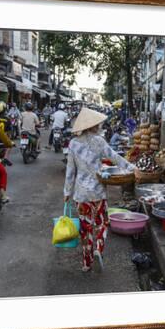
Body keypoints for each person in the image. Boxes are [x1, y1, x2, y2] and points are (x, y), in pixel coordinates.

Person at [64, 108, 136, 272]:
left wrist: (67, 193)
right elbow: (115, 157)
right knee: (102, 222)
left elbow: (70, 172)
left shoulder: (74, 143)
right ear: (94, 125)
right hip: (97, 193)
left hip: (81, 194)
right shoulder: (99, 141)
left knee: (85, 228)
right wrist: (132, 168)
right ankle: (98, 247)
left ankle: (86, 263)